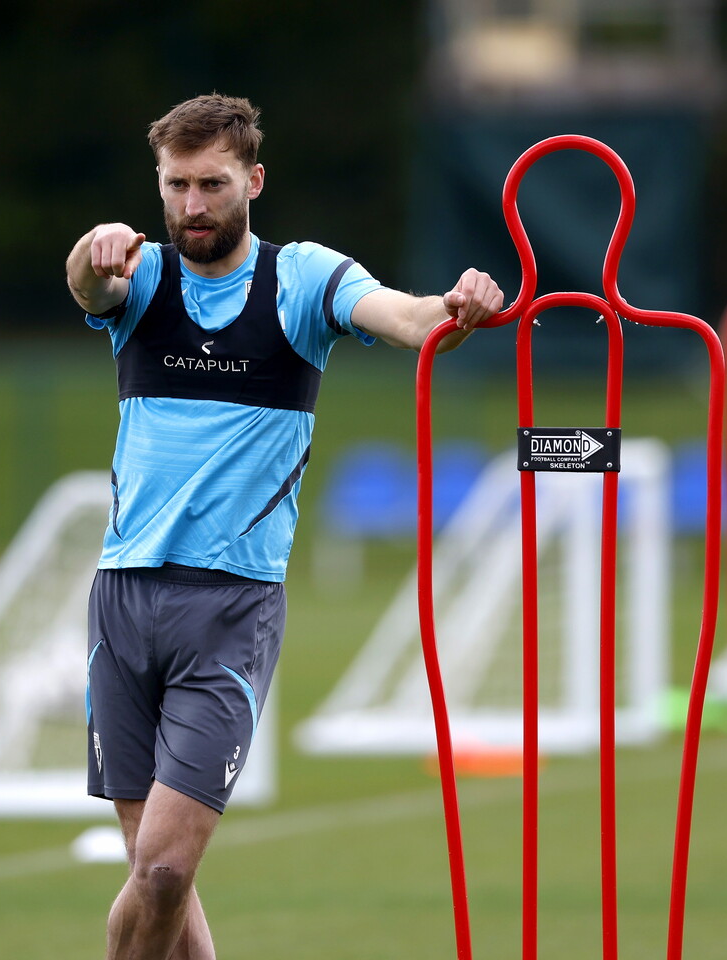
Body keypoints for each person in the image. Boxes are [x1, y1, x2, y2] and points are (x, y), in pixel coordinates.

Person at [65, 93, 503, 960]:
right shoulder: (142, 275)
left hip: (230, 608)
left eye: (213, 184)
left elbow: (409, 319)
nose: (193, 205)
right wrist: (92, 246)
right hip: (123, 600)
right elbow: (87, 281)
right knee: (164, 885)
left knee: (158, 872)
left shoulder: (302, 278)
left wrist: (458, 305)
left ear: (253, 182)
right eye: (177, 185)